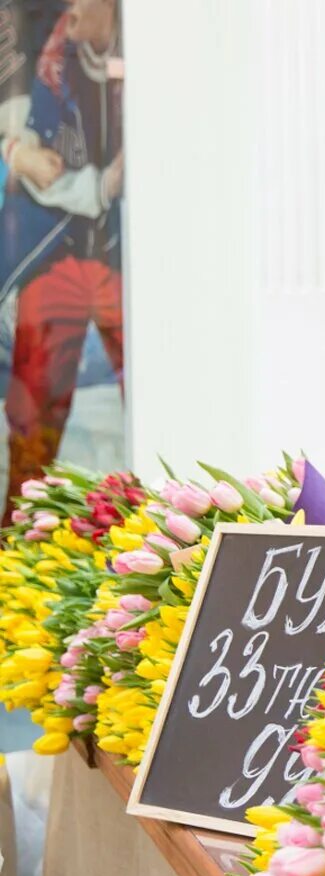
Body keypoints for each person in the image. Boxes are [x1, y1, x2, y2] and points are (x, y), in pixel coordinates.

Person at [2, 0, 124, 508]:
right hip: (51, 247)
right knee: (34, 418)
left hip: (123, 249)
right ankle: (19, 544)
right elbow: (41, 168)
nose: (72, 14)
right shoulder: (38, 41)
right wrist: (15, 152)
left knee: (154, 378)